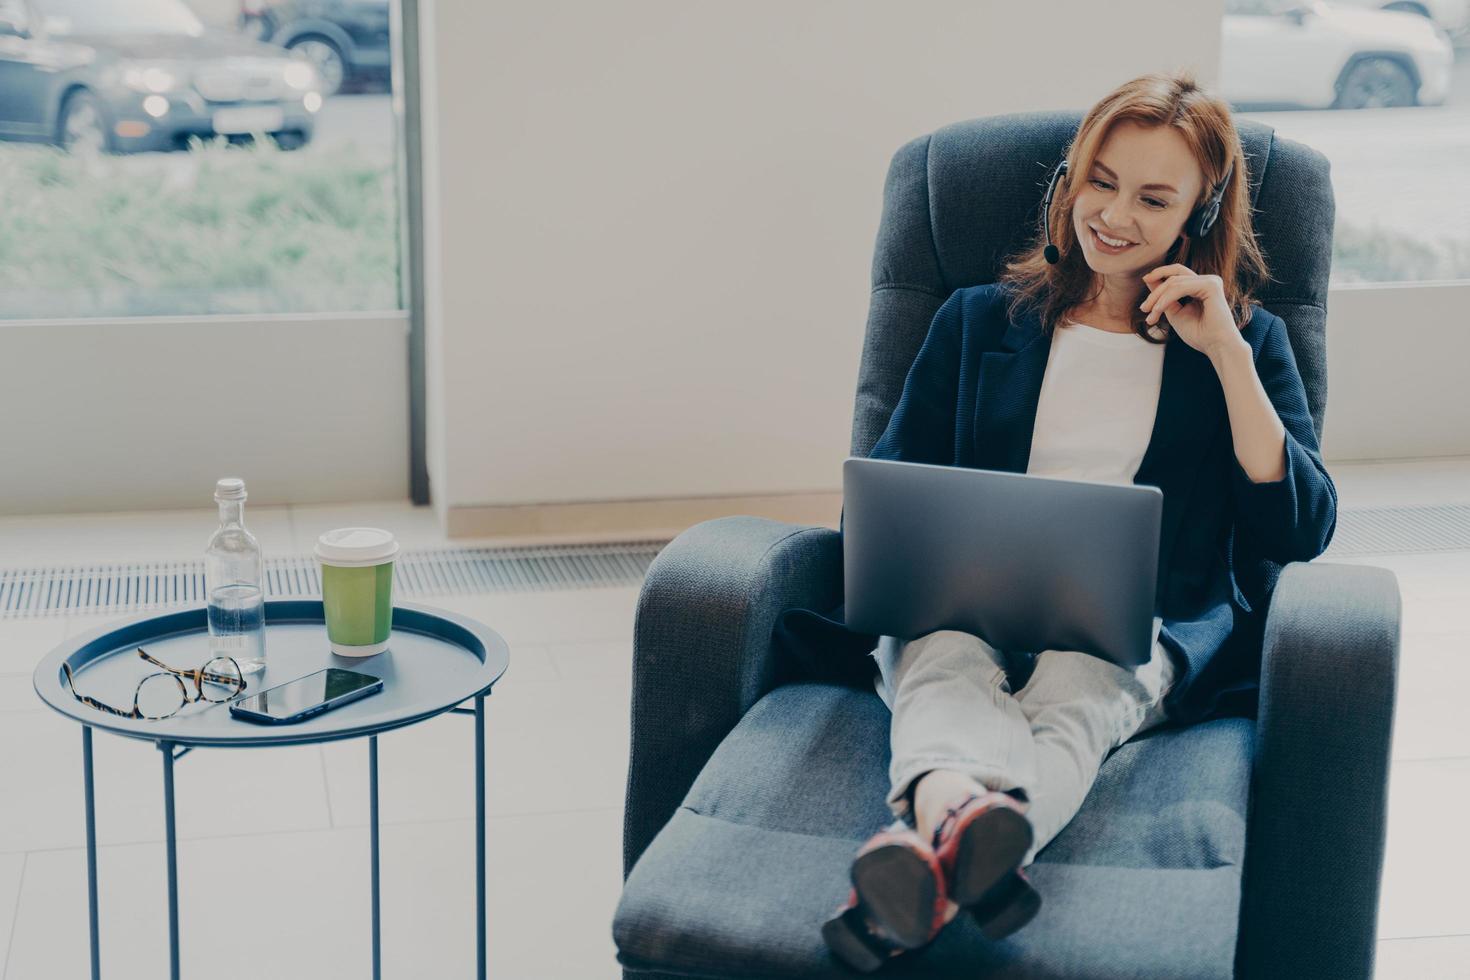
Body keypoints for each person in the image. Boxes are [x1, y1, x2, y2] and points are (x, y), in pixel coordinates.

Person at [815, 70, 1338, 972]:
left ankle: (920, 850)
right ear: (1070, 178)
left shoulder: (1245, 344)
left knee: (1076, 698)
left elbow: (1300, 529)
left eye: (1153, 197)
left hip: (1140, 618)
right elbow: (890, 480)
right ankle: (964, 831)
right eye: (1101, 179)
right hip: (962, 598)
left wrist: (1224, 355)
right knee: (939, 661)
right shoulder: (978, 320)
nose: (1115, 215)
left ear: (1198, 217)